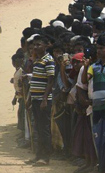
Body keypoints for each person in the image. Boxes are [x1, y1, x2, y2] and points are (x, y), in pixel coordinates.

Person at [26, 35, 55, 166]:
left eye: (39, 45)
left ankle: (45, 157)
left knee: (44, 128)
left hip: (43, 100)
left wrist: (44, 99)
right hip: (36, 99)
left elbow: (50, 80)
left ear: (45, 46)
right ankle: (38, 155)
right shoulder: (38, 60)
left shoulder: (48, 60)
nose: (36, 47)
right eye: (35, 45)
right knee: (38, 127)